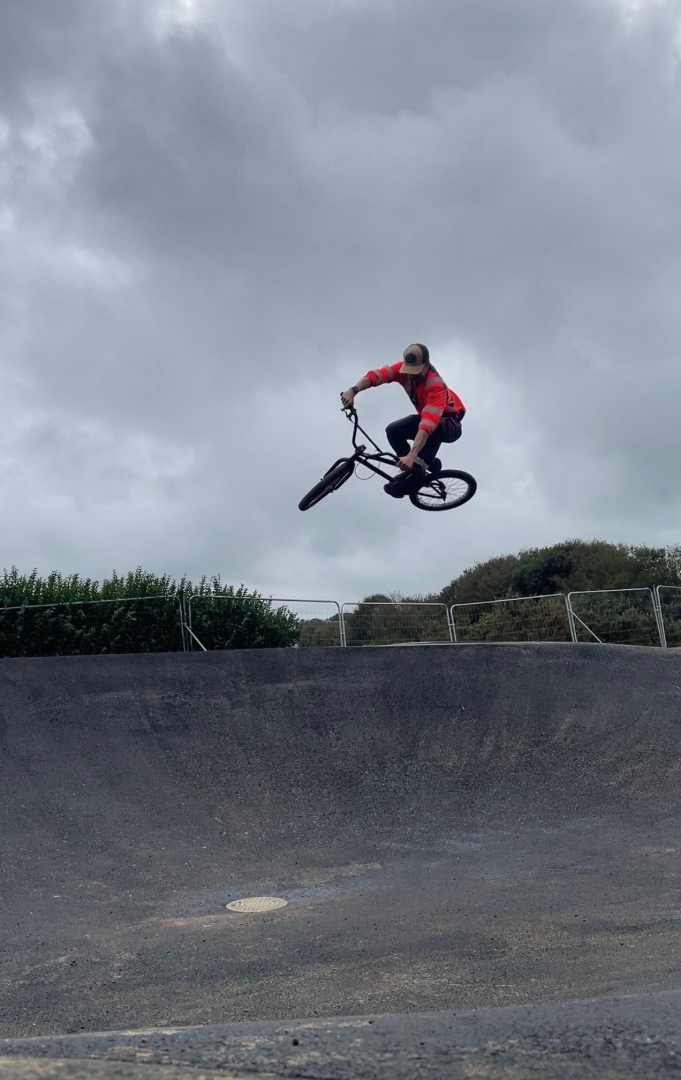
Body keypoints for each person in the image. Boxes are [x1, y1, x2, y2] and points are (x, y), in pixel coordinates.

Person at [340, 344, 466, 497]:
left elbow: (427, 425)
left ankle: (415, 475)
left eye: (417, 371)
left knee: (420, 457)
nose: (412, 375)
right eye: (410, 370)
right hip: (428, 420)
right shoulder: (403, 369)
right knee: (393, 431)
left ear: (426, 364)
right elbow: (376, 376)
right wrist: (353, 391)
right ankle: (422, 464)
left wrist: (413, 455)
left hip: (449, 426)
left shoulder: (435, 386)